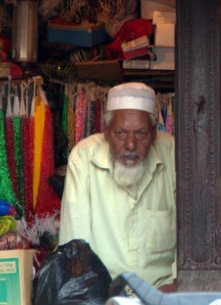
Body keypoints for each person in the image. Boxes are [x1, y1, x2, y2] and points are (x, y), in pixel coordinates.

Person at [59, 83, 177, 291]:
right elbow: (74, 248)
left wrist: (175, 287)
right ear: (106, 133)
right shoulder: (84, 157)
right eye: (120, 133)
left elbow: (194, 240)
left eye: (141, 133)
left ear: (154, 133)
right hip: (104, 292)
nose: (130, 145)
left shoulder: (174, 154)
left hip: (164, 291)